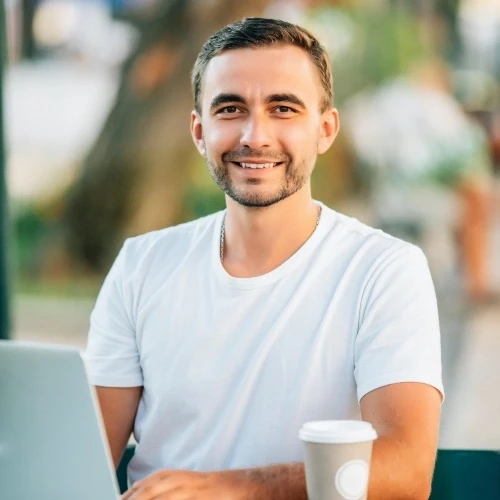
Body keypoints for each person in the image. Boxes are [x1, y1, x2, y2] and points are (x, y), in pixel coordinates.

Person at [86, 17, 444, 500]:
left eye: (283, 109)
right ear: (199, 131)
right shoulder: (141, 266)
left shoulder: (384, 271)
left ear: (325, 129)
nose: (256, 135)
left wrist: (227, 488)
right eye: (231, 108)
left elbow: (406, 470)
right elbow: (81, 460)